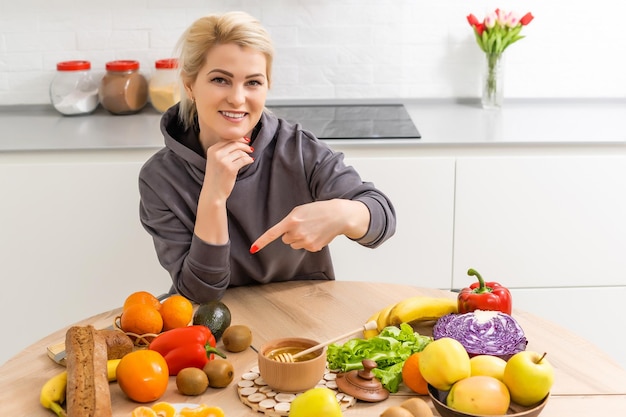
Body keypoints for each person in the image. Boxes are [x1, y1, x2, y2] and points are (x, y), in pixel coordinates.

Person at [138, 11, 396, 303]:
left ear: (267, 86)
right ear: (190, 85)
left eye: (253, 82)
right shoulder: (160, 178)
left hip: (303, 319)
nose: (237, 98)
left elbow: (382, 216)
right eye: (220, 80)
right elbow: (200, 294)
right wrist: (213, 196)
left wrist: (343, 214)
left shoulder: (298, 149)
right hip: (216, 330)